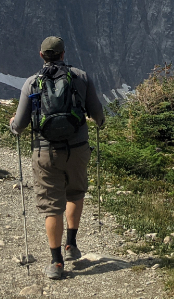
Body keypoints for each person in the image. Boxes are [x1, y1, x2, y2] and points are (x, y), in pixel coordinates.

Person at [9, 36, 105, 280]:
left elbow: (19, 125)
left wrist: (12, 125)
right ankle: (71, 245)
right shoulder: (81, 77)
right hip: (78, 149)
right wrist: (98, 123)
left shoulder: (31, 83)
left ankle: (56, 262)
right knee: (75, 193)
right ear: (64, 54)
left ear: (41, 55)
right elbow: (97, 114)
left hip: (45, 152)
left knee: (52, 206)